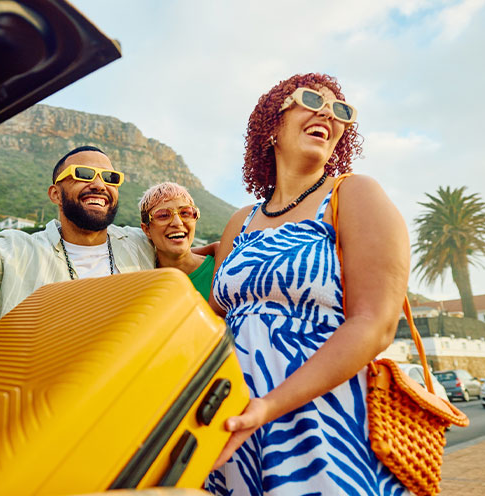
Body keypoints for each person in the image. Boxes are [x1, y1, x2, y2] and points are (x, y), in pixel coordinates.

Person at [206, 73, 411, 495]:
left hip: (325, 424)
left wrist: (269, 407)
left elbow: (375, 324)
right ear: (272, 124)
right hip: (235, 422)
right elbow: (217, 325)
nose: (327, 112)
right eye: (312, 99)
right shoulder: (237, 222)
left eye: (340, 110)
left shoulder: (354, 195)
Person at [0, 145, 154, 319]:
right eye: (84, 174)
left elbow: (189, 259)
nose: (100, 185)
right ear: (55, 194)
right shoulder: (17, 253)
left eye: (110, 178)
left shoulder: (143, 244)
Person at [138, 182, 214, 300]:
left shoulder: (220, 267)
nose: (177, 222)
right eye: (163, 215)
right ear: (147, 230)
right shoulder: (143, 284)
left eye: (185, 213)